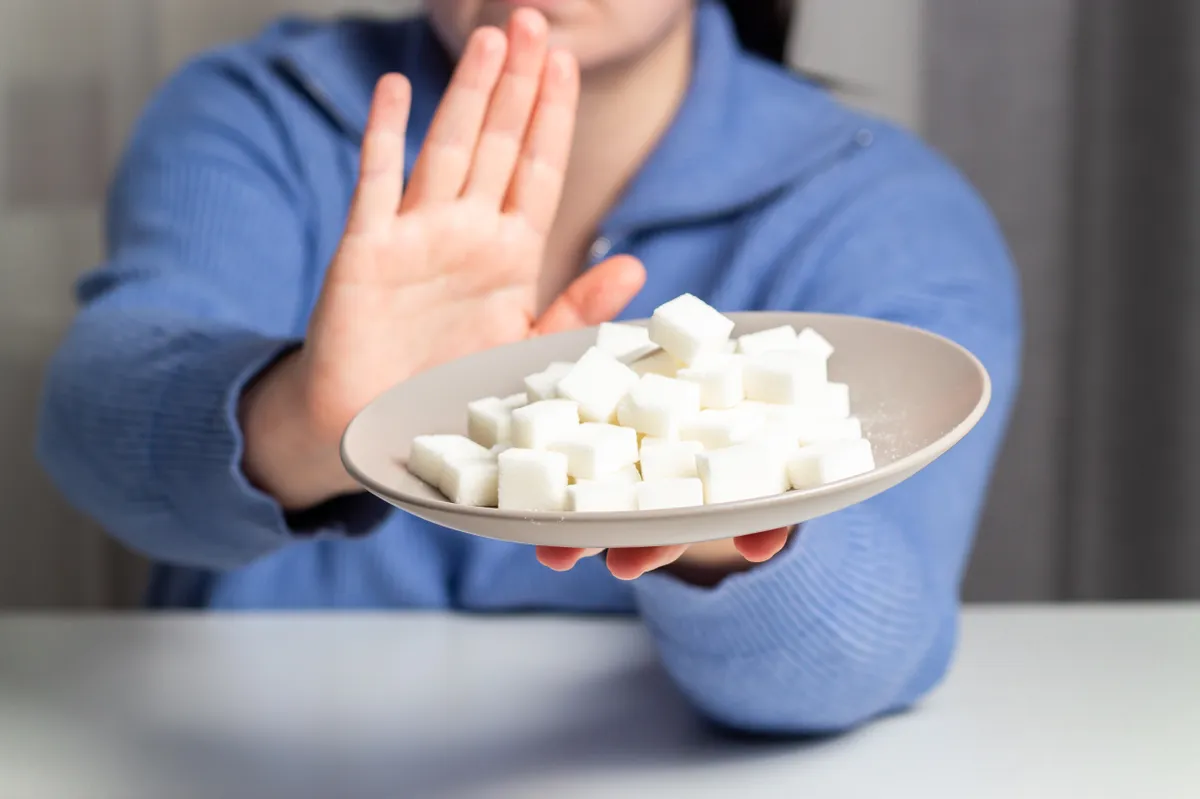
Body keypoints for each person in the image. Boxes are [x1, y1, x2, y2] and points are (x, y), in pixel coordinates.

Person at [35, 0, 1021, 734]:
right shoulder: (259, 113)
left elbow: (871, 647)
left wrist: (719, 513)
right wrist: (304, 415)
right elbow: (89, 422)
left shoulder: (889, 212)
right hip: (242, 754)